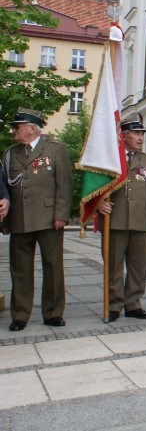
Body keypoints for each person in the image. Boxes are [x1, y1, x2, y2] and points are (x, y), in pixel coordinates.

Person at [2, 108, 73, 331]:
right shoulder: (11, 153)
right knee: (20, 269)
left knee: (53, 267)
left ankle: (53, 313)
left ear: (32, 128)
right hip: (20, 219)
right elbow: (4, 188)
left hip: (49, 219)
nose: (13, 131)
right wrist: (4, 222)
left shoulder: (55, 149)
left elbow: (65, 185)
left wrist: (61, 215)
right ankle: (20, 314)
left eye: (17, 127)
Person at [98, 113, 146, 322]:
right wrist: (99, 203)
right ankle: (114, 304)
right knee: (114, 265)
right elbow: (96, 188)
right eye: (136, 133)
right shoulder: (110, 158)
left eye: (142, 133)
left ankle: (133, 304)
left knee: (138, 266)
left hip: (140, 221)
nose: (141, 137)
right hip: (115, 220)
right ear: (124, 135)